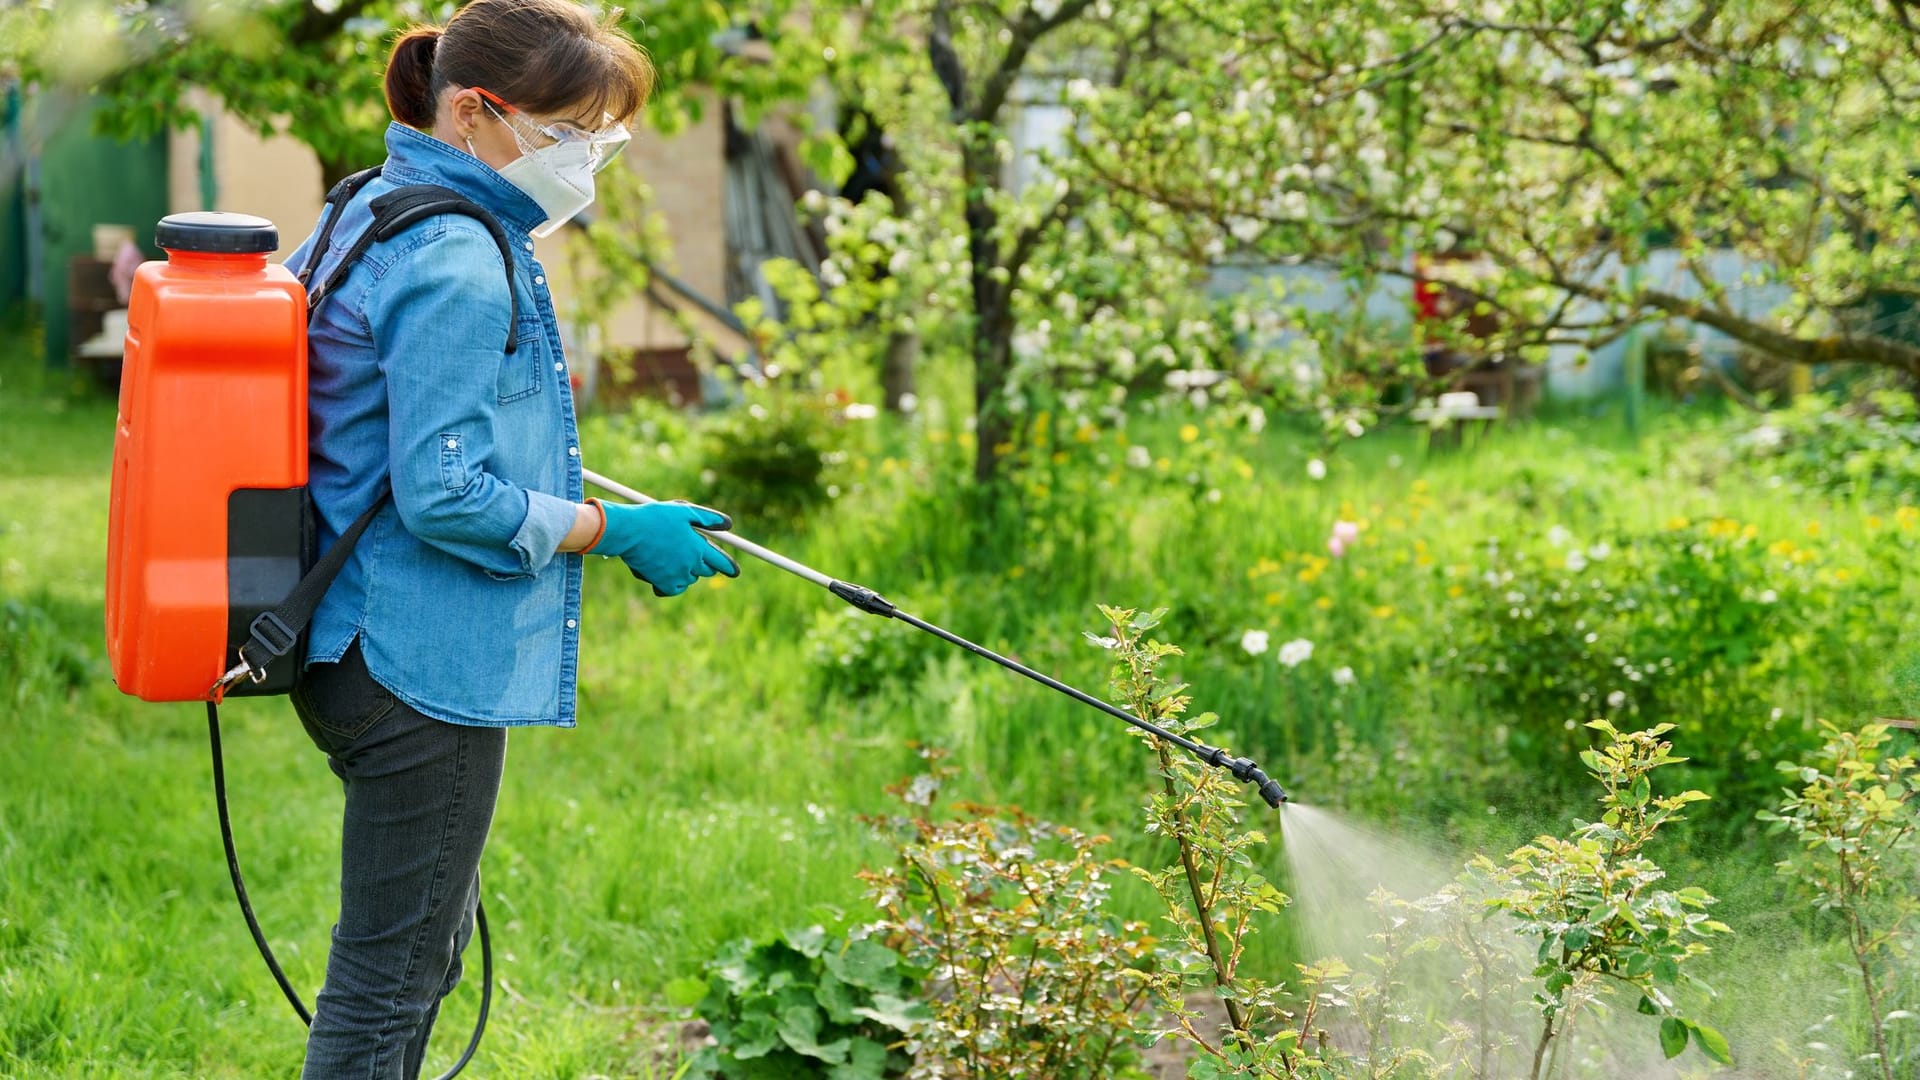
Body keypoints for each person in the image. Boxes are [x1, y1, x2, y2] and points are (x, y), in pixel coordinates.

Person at [283, 2, 739, 1076]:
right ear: (480, 113)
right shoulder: (454, 253)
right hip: (412, 665)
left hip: (345, 640)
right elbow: (443, 493)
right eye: (572, 131)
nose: (589, 160)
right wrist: (611, 529)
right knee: (390, 984)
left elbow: (381, 414)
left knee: (409, 966)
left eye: (605, 137)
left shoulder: (368, 202)